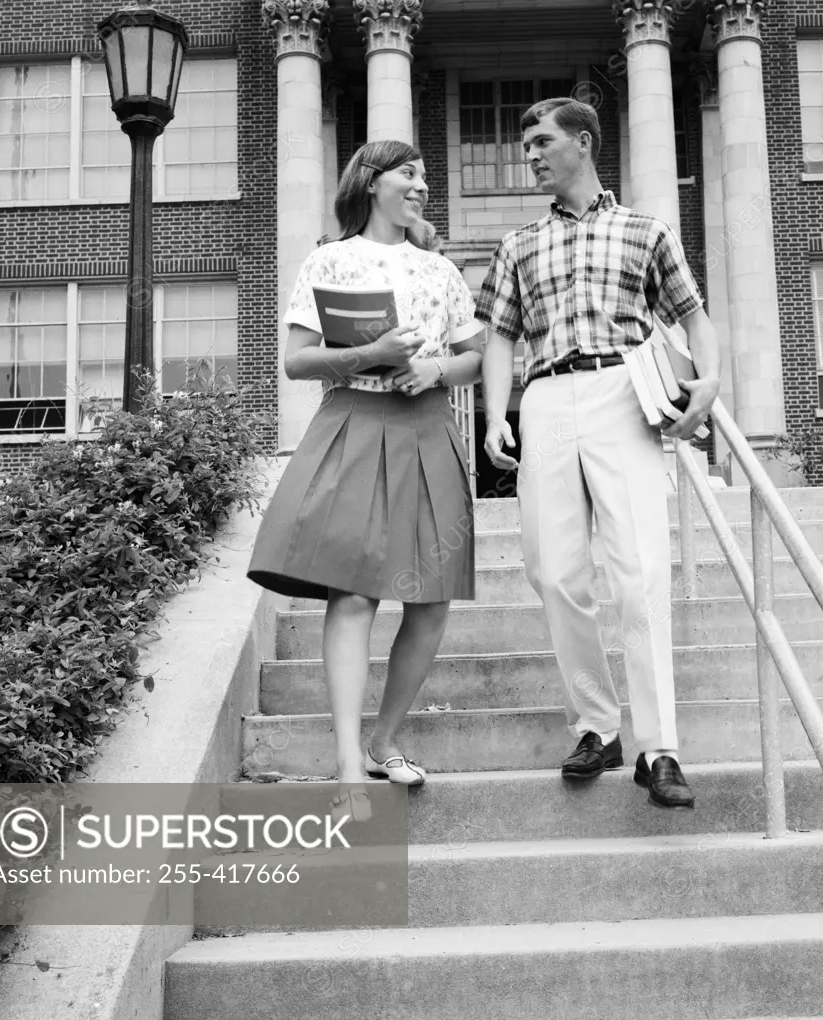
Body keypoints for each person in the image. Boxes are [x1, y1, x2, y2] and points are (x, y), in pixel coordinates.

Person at [476, 97, 720, 810]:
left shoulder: (644, 230)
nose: (529, 154)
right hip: (547, 395)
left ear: (582, 142)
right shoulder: (517, 244)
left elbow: (691, 317)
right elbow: (498, 335)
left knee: (639, 571)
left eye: (542, 140)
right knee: (554, 573)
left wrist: (706, 385)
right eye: (526, 144)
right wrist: (496, 414)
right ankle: (595, 725)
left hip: (622, 390)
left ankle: (659, 746)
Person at [247, 139, 485, 821]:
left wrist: (433, 370)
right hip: (353, 421)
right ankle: (350, 760)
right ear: (371, 182)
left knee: (431, 601)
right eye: (407, 173)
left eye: (422, 174)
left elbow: (474, 356)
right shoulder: (329, 258)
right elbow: (295, 362)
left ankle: (386, 739)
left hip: (427, 426)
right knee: (352, 598)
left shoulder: (440, 269)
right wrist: (371, 353)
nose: (420, 184)